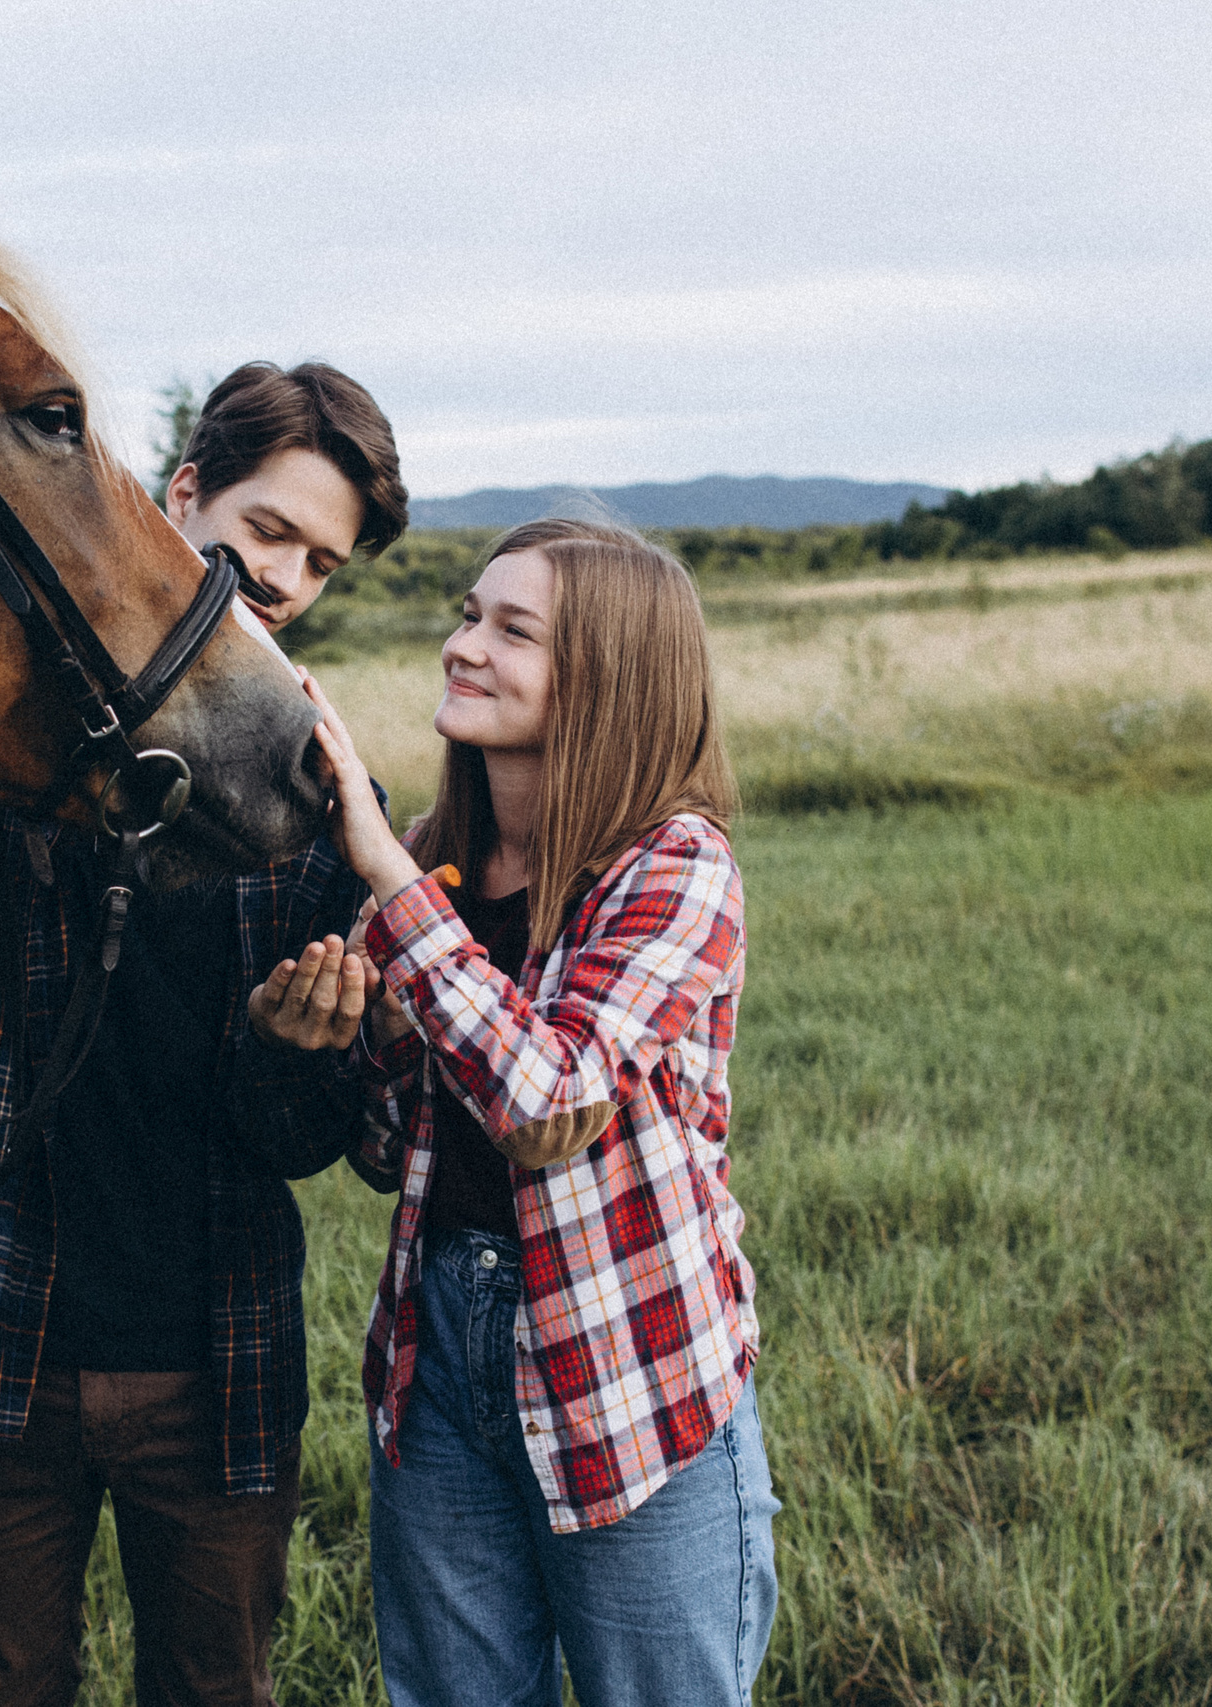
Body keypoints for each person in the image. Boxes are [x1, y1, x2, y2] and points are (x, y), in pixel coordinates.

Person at [0, 360, 407, 1707]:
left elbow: (302, 1141)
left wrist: (292, 1049)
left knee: (216, 1688)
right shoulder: (2, 730)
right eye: (269, 528)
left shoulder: (317, 794)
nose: (284, 578)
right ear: (184, 492)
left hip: (216, 1358)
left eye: (321, 562)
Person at [242, 518, 778, 1706]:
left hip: (628, 1356)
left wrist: (383, 876)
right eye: (468, 615)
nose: (463, 646)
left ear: (606, 677)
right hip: (436, 1345)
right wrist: (333, 1039)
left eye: (511, 630)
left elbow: (549, 1105)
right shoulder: (435, 860)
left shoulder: (672, 866)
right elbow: (394, 1151)